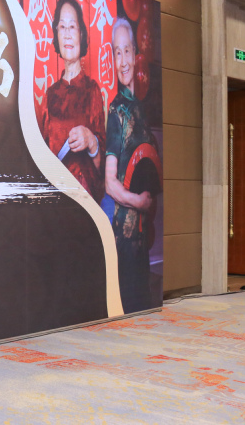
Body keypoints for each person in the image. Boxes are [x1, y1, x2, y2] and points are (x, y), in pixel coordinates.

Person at [105, 17, 159, 312]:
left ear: (136, 54)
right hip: (124, 235)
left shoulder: (141, 107)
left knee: (144, 308)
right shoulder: (116, 112)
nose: (123, 60)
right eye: (117, 52)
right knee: (128, 307)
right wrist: (138, 202)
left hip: (142, 234)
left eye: (127, 51)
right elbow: (109, 182)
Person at [40, 0, 105, 201]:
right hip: (55, 203)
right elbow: (40, 158)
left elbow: (101, 168)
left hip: (85, 203)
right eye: (62, 27)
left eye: (72, 27)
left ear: (81, 34)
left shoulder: (92, 90)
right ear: (56, 35)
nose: (67, 34)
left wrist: (91, 141)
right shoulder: (50, 96)